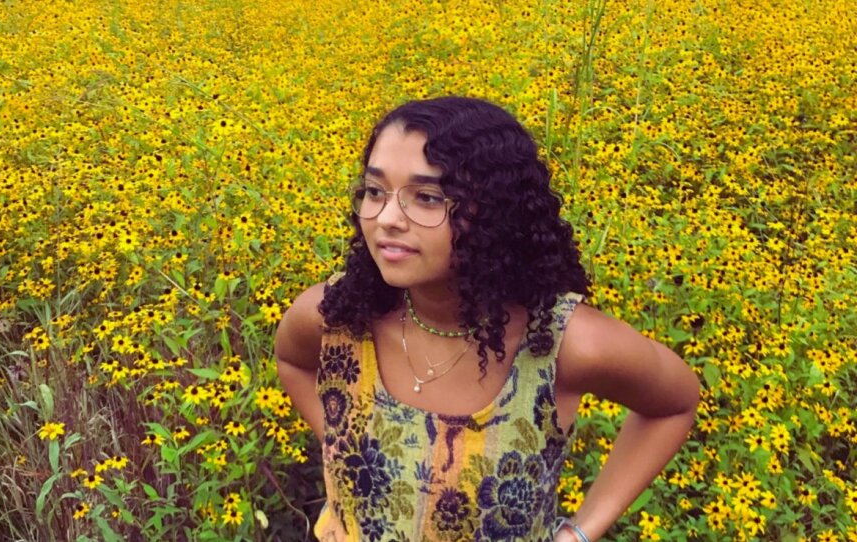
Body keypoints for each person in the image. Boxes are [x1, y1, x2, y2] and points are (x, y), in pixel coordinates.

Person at [274, 96, 700, 542]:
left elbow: (675, 403)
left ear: (496, 212)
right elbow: (293, 362)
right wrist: (343, 447)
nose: (387, 219)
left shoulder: (560, 344)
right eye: (375, 191)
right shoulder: (339, 316)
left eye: (427, 197)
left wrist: (577, 532)